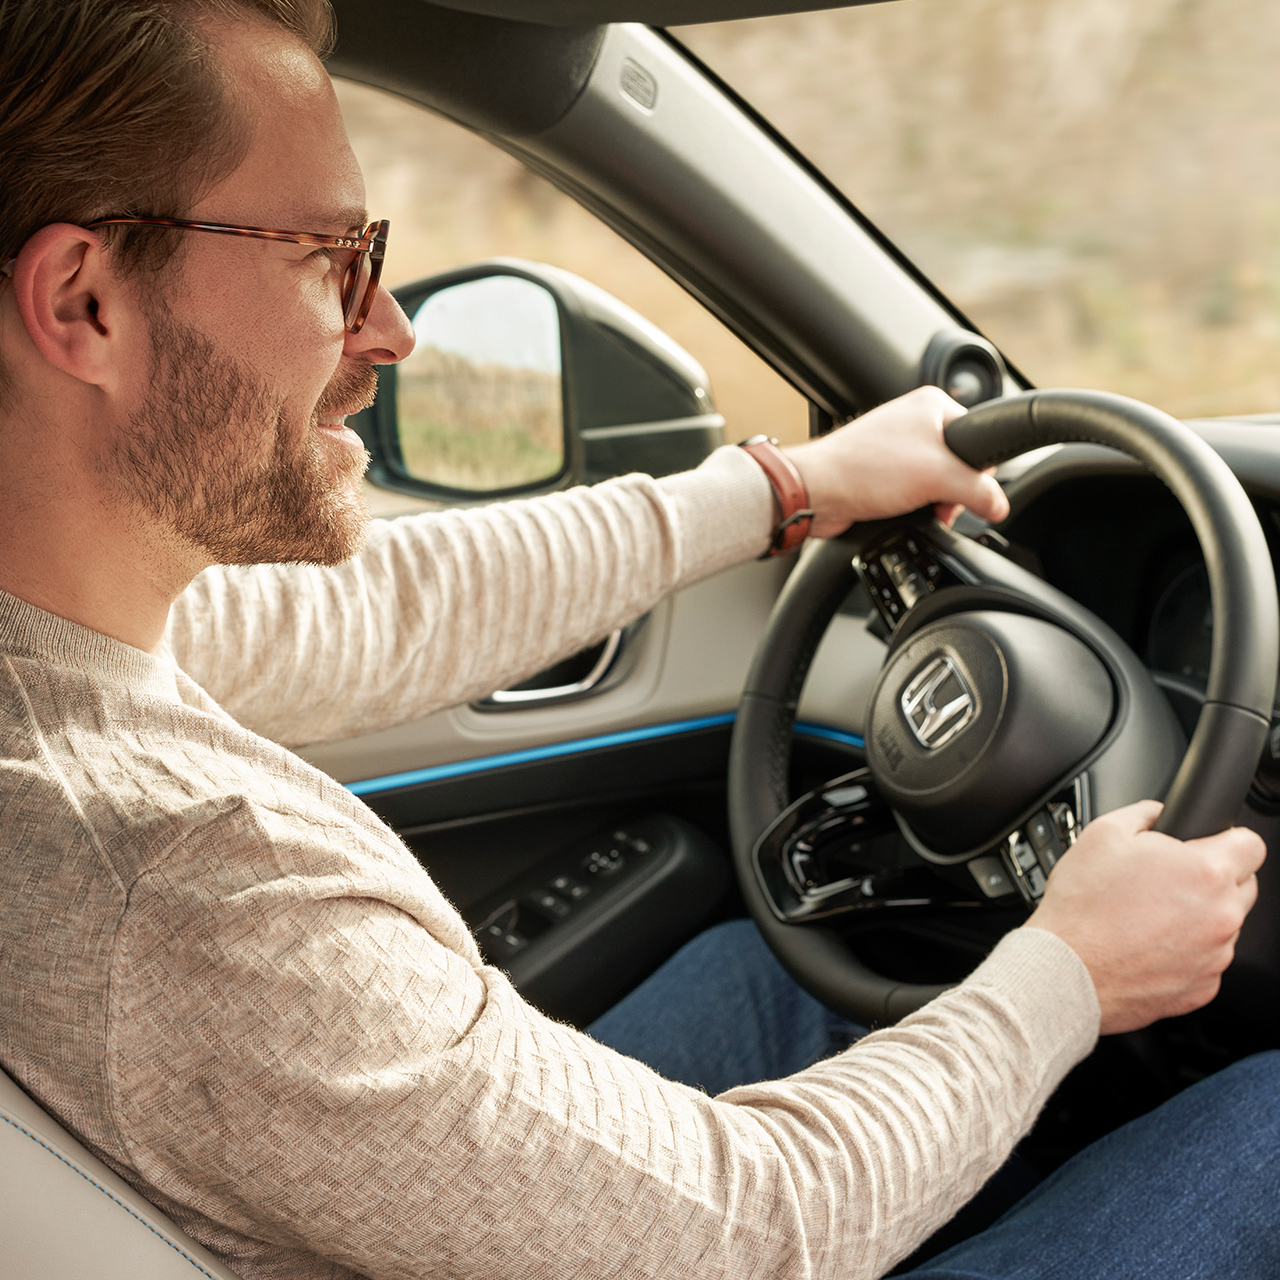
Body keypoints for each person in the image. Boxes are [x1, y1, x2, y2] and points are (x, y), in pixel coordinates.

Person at [0, 2, 1274, 1278]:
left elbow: (369, 611)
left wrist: (792, 486)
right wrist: (1071, 967)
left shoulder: (52, 647)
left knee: (787, 977)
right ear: (85, 299)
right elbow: (756, 1228)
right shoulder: (190, 884)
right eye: (326, 255)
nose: (390, 328)